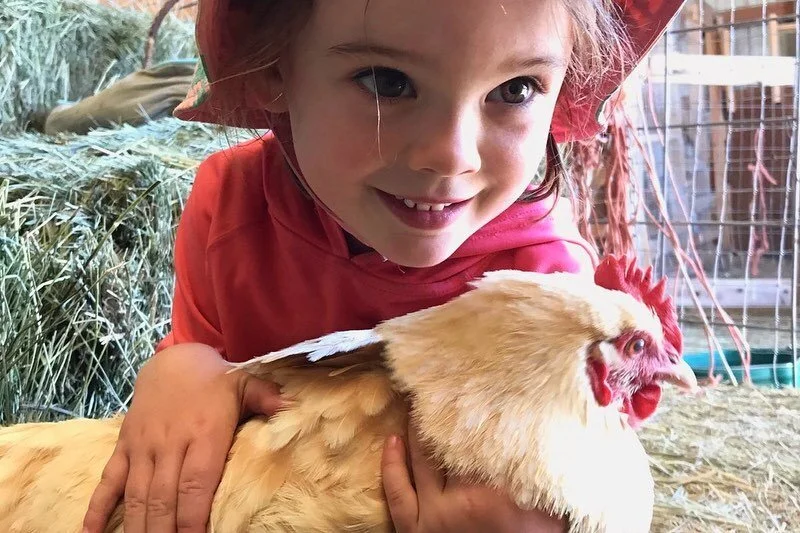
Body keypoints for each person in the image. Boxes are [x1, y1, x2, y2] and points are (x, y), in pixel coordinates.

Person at [81, 0, 684, 532]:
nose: (451, 155)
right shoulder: (232, 205)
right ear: (273, 70)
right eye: (387, 82)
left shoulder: (546, 289)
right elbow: (202, 348)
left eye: (515, 90)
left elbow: (577, 480)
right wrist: (181, 370)